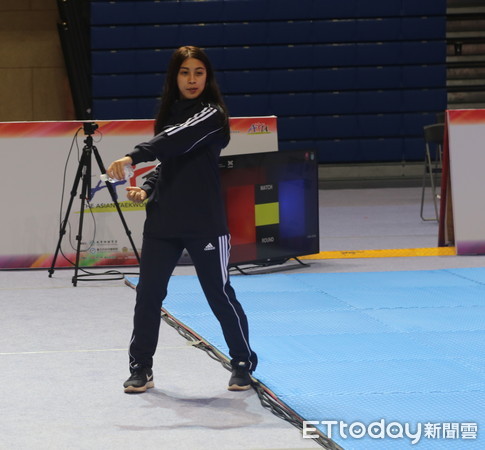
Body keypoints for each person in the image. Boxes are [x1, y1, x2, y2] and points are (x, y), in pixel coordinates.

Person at [107, 46, 258, 394]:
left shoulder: (212, 115)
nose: (192, 79)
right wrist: (146, 188)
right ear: (174, 77)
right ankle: (141, 367)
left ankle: (242, 362)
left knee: (218, 294)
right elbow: (170, 161)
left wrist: (133, 156)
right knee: (147, 295)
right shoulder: (170, 114)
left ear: (208, 77)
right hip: (163, 224)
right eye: (185, 72)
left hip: (205, 222)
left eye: (199, 72)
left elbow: (175, 140)